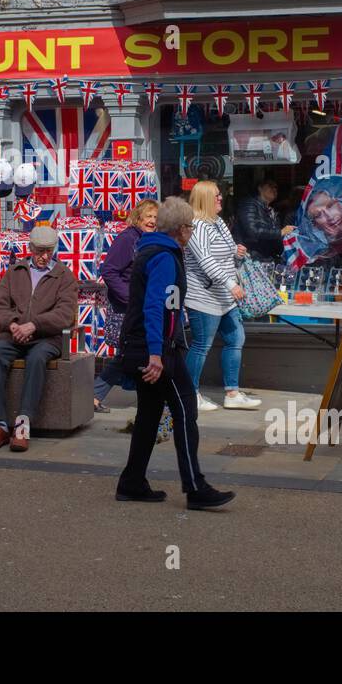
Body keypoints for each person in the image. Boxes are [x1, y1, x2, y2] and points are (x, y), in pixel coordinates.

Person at [114, 196, 235, 510]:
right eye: (191, 228)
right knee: (184, 412)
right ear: (181, 230)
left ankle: (132, 482)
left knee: (150, 415)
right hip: (159, 350)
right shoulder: (166, 257)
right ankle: (195, 487)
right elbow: (158, 306)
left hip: (143, 345)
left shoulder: (149, 250)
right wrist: (157, 354)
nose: (192, 233)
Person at [0, 225, 78, 453]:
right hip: (14, 335)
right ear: (30, 248)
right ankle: (0, 425)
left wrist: (34, 325)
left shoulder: (64, 276)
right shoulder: (15, 272)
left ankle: (23, 425)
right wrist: (14, 324)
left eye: (49, 251)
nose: (44, 256)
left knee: (36, 360)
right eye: (39, 250)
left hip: (46, 338)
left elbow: (65, 314)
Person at [184, 181, 262, 411]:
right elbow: (205, 260)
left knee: (236, 339)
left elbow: (227, 255)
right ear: (205, 199)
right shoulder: (196, 226)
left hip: (225, 298)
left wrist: (237, 253)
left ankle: (232, 393)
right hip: (204, 297)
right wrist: (230, 283)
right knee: (201, 345)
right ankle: (191, 393)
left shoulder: (218, 222)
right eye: (216, 196)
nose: (221, 198)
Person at [94, 199, 158, 411]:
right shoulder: (128, 238)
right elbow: (109, 270)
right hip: (127, 309)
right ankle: (94, 394)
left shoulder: (149, 240)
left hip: (141, 307)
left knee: (132, 355)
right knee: (128, 355)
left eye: (156, 218)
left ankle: (95, 395)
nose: (152, 221)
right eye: (148, 216)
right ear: (138, 217)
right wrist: (130, 298)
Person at [234, 179, 283, 259]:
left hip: (267, 257)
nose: (274, 189)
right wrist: (280, 232)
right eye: (270, 186)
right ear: (260, 188)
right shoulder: (249, 204)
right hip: (251, 256)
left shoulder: (271, 210)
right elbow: (252, 231)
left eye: (276, 187)